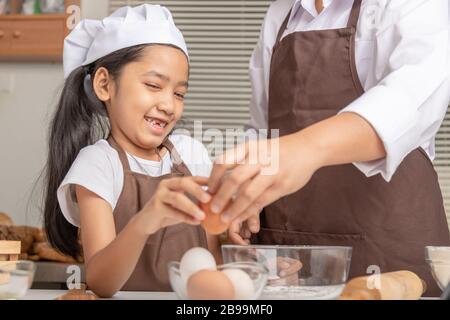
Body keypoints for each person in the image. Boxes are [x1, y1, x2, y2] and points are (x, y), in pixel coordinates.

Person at [208, 0, 450, 296]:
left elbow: (410, 101)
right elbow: (263, 129)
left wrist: (306, 148)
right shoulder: (280, 14)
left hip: (389, 251)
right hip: (290, 252)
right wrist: (246, 193)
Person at [43, 4, 218, 297]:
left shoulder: (192, 154)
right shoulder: (98, 164)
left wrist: (256, 261)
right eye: (153, 85)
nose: (169, 104)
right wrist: (146, 220)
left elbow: (215, 263)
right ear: (104, 85)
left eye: (179, 94)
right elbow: (101, 281)